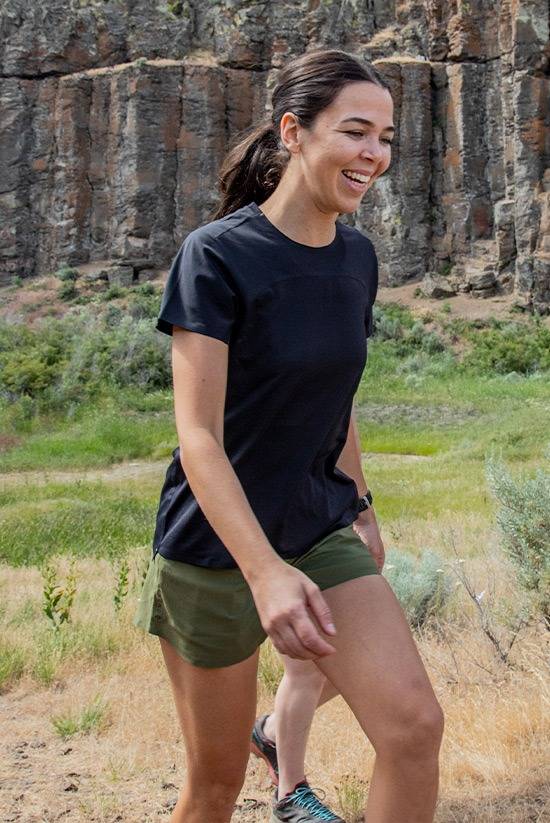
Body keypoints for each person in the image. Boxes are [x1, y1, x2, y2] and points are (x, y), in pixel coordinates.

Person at [135, 48, 444, 823]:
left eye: (386, 136)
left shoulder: (357, 259)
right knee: (214, 788)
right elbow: (198, 437)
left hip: (316, 525)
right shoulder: (216, 256)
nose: (374, 154)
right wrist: (264, 571)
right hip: (215, 546)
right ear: (294, 133)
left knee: (414, 728)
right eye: (355, 132)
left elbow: (335, 397)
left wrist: (361, 506)